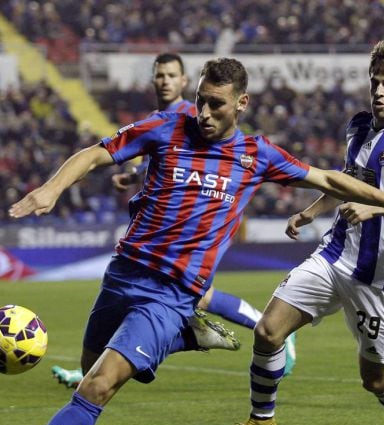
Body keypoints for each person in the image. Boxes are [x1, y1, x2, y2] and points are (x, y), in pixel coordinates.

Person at [0, 57, 384, 425]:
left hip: (171, 293)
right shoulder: (164, 128)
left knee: (99, 386)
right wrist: (51, 188)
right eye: (200, 101)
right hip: (122, 276)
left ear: (241, 104)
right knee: (88, 374)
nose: (204, 112)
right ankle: (186, 337)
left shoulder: (256, 155)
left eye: (216, 103)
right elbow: (97, 153)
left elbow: (328, 178)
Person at [208, 42, 384, 425]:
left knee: (375, 379)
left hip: (380, 275)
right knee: (268, 331)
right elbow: (347, 179)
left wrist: (377, 210)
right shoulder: (358, 126)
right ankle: (261, 422)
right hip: (334, 254)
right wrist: (311, 212)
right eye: (374, 83)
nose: (378, 92)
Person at [51, 53, 296, 389]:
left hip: (189, 231)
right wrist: (136, 174)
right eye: (159, 75)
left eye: (171, 75)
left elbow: (218, 162)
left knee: (192, 299)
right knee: (170, 307)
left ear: (184, 81)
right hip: (161, 232)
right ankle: (106, 366)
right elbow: (169, 164)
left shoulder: (193, 116)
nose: (164, 81)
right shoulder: (162, 118)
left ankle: (269, 329)